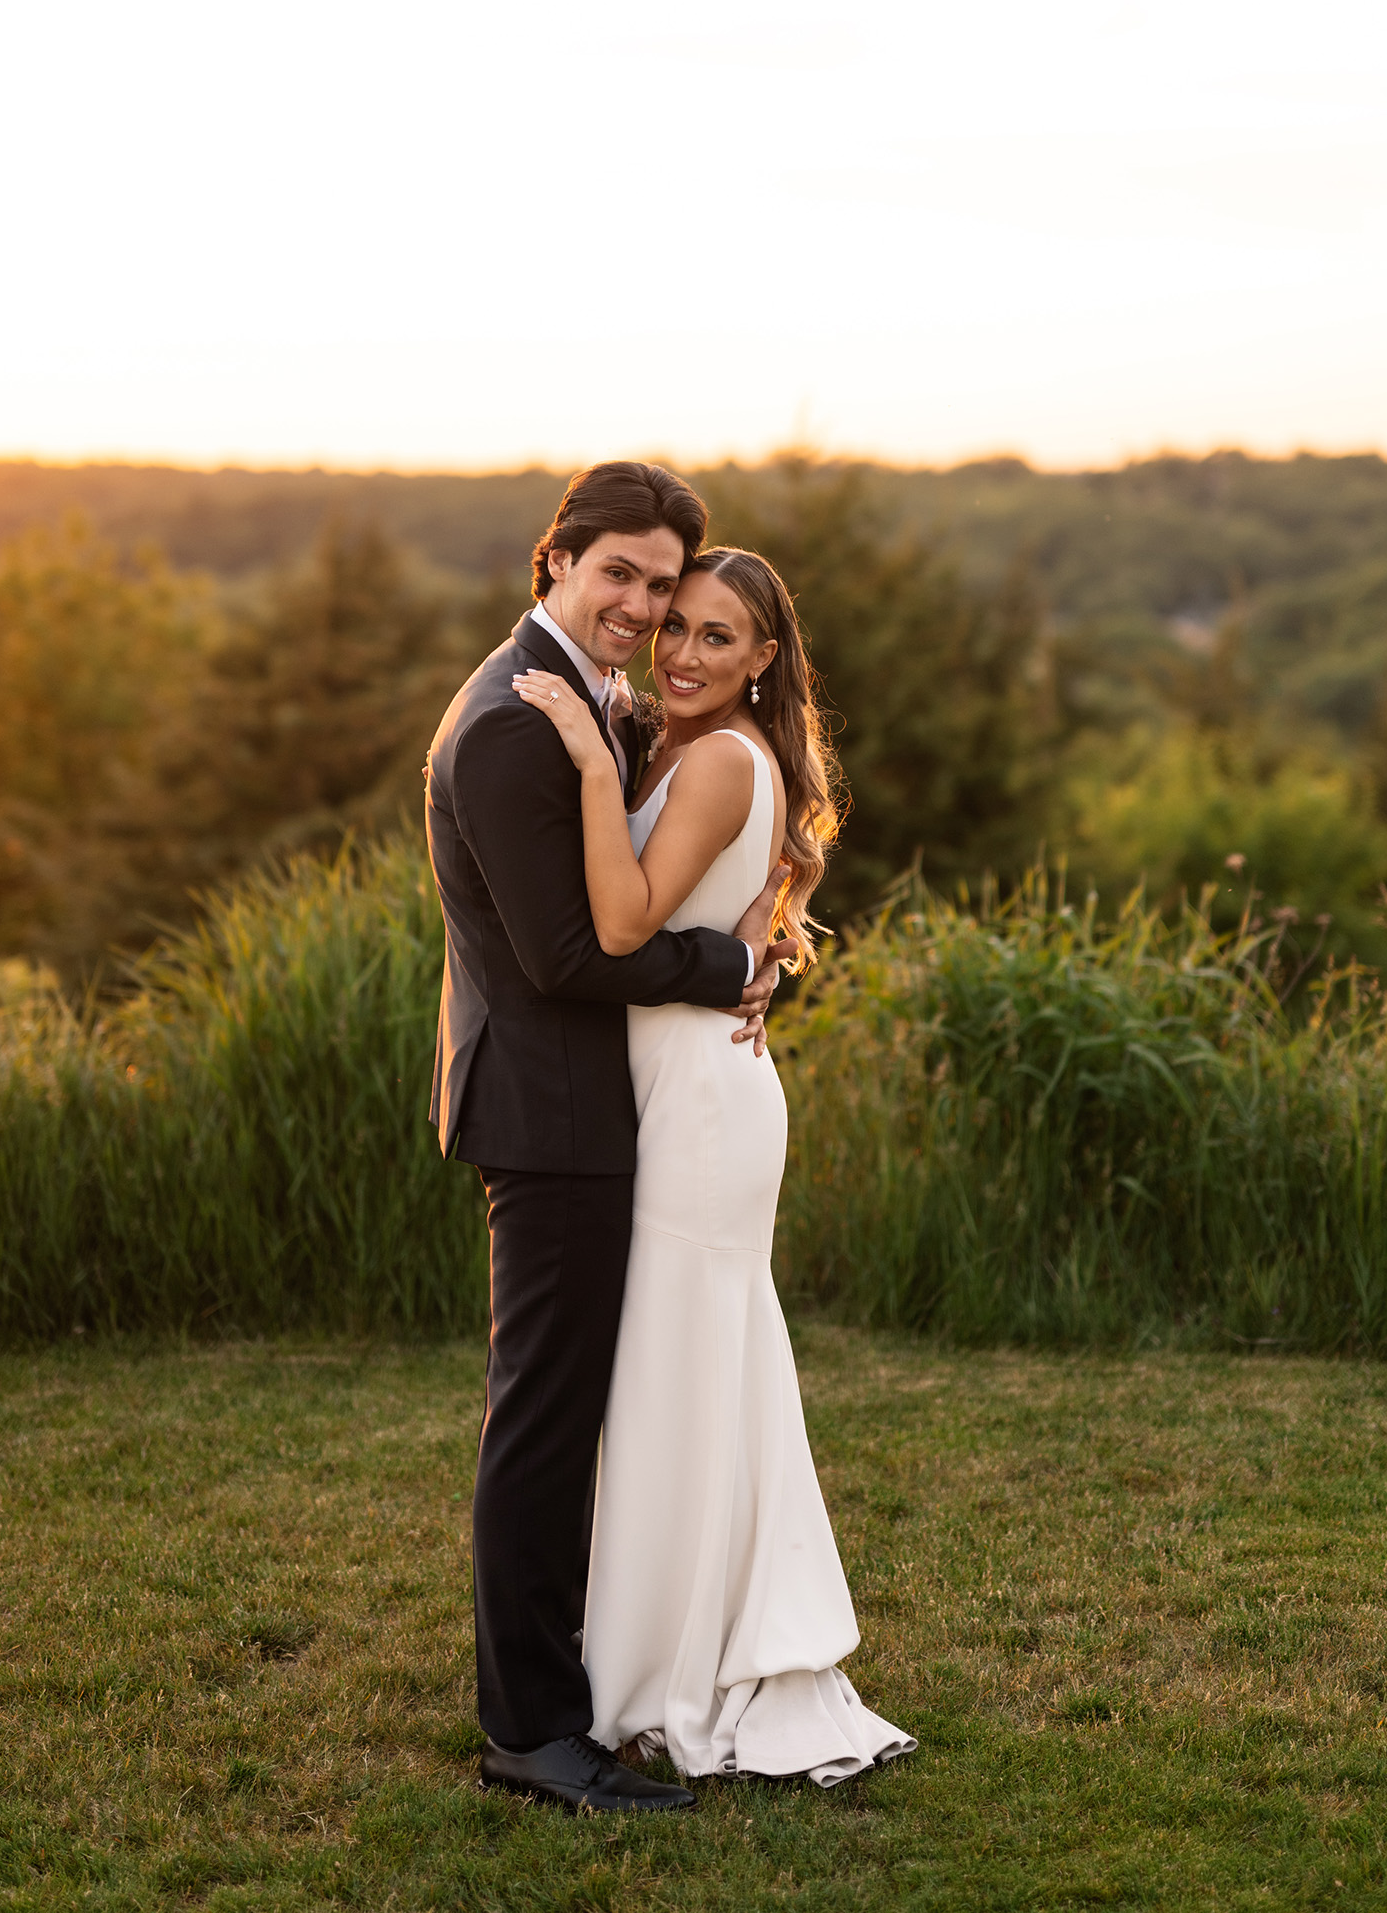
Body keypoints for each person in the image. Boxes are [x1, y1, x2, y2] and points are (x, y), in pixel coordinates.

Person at [515, 544, 916, 1786]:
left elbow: (628, 923)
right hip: (679, 1084)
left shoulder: (722, 758)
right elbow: (732, 910)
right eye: (673, 626)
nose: (680, 651)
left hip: (699, 1104)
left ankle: (668, 1675)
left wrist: (587, 765)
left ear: (762, 659)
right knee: (680, 1375)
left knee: (679, 1377)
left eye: (714, 637)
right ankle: (662, 1645)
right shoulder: (679, 741)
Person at [425, 463, 788, 1816]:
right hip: (557, 1113)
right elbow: (570, 954)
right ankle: (529, 1727)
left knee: (571, 1409)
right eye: (618, 575)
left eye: (661, 581)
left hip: (589, 1104)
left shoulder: (578, 697)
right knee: (542, 1420)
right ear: (554, 562)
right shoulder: (517, 724)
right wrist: (722, 970)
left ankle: (572, 1673)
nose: (640, 605)